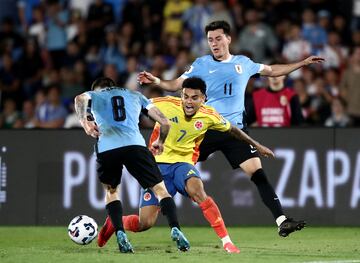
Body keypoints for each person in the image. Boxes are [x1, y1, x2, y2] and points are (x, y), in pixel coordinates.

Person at [138, 20, 324, 237]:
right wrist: (158, 80)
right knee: (173, 163)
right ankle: (156, 201)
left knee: (257, 173)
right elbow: (176, 84)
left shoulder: (243, 63)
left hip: (234, 130)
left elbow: (273, 70)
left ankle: (281, 220)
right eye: (210, 40)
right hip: (204, 128)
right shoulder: (201, 63)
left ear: (228, 38)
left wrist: (301, 63)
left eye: (218, 38)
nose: (214, 44)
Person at [97, 77, 275, 253]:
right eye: (185, 96)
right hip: (156, 166)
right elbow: (133, 103)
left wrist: (257, 145)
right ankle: (115, 221)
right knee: (145, 223)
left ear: (203, 98)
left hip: (183, 164)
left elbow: (234, 130)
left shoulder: (209, 115)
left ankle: (227, 242)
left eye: (194, 97)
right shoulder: (164, 103)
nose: (188, 102)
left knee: (198, 191)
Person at [74, 77, 190, 253]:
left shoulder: (94, 95)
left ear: (99, 88)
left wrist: (85, 123)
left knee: (112, 191)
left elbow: (79, 99)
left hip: (107, 147)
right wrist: (160, 141)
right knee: (160, 190)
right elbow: (165, 122)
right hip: (135, 146)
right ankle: (175, 228)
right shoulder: (136, 95)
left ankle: (120, 232)